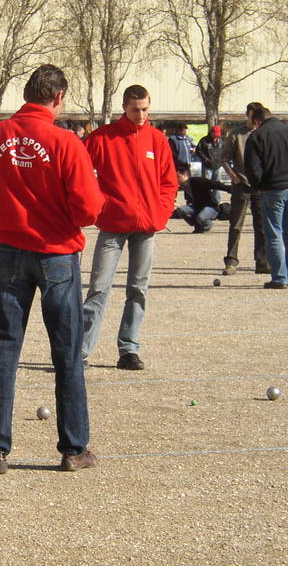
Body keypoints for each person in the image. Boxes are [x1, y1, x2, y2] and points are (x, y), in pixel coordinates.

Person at [0, 64, 104, 474]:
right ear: (59, 97)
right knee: (67, 352)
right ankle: (74, 448)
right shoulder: (65, 142)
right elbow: (89, 209)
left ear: (26, 94)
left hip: (9, 251)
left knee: (5, 349)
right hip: (57, 255)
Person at [80, 84, 177, 371]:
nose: (141, 115)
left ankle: (129, 349)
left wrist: (161, 212)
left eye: (145, 109)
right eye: (136, 110)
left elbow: (168, 181)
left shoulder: (157, 139)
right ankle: (81, 351)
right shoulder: (102, 138)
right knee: (99, 288)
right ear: (124, 107)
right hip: (112, 224)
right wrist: (98, 204)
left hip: (146, 226)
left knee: (138, 289)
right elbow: (79, 172)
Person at [244, 104, 288, 289]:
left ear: (257, 121)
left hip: (272, 189)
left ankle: (279, 277)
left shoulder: (257, 136)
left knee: (274, 234)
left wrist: (258, 186)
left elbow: (252, 167)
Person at [220, 105, 269, 275]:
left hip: (260, 186)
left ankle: (262, 261)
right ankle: (231, 260)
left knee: (261, 225)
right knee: (236, 224)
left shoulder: (264, 134)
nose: (255, 121)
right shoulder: (236, 134)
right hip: (241, 185)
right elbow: (224, 158)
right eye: (252, 117)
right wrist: (233, 176)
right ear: (247, 116)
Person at [175, 162, 231, 233]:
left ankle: (206, 226)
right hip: (197, 206)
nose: (176, 179)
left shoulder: (197, 181)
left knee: (201, 217)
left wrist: (229, 189)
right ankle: (198, 225)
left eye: (177, 177)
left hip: (210, 207)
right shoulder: (183, 186)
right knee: (181, 210)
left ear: (184, 175)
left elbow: (214, 184)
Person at [195, 124, 225, 199]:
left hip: (217, 166)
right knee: (206, 184)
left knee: (217, 185)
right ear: (211, 132)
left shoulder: (221, 141)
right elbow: (198, 151)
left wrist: (222, 160)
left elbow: (224, 150)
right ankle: (206, 200)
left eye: (217, 135)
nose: (216, 137)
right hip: (207, 167)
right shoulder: (204, 141)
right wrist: (206, 160)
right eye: (215, 134)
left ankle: (217, 201)